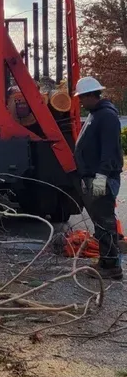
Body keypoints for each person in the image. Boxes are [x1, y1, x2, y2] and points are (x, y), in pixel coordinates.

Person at [73, 77, 123, 280]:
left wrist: (102, 176)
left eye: (82, 98)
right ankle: (105, 260)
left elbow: (109, 151)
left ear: (90, 95)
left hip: (102, 177)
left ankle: (111, 266)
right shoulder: (96, 114)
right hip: (94, 176)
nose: (80, 102)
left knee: (105, 222)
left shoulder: (107, 116)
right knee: (100, 222)